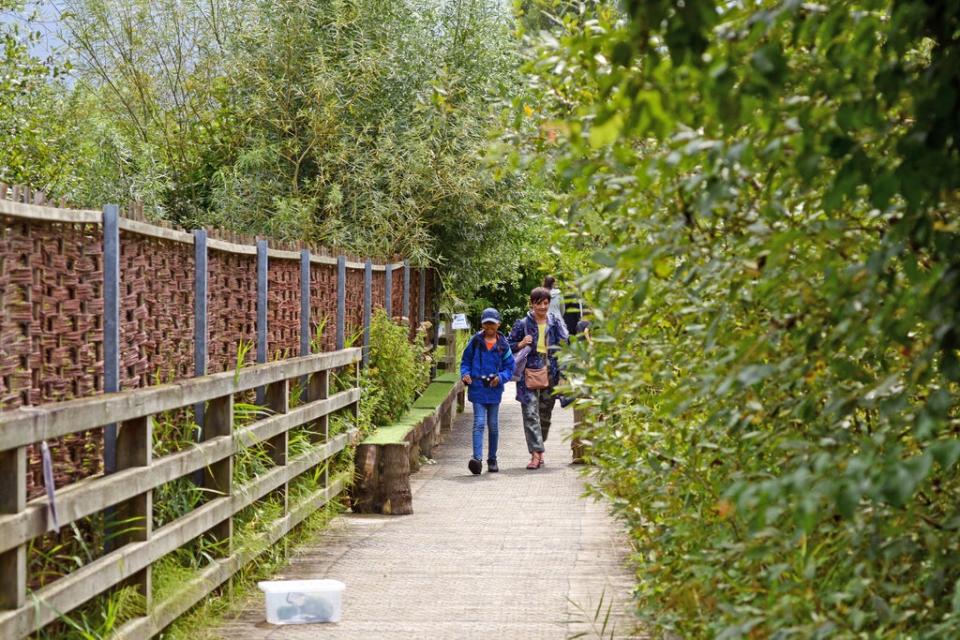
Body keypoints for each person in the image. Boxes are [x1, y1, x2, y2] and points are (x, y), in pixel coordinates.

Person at [508, 287, 569, 470]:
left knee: (545, 415)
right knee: (530, 413)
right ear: (531, 304)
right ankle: (536, 454)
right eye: (538, 303)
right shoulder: (522, 324)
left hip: (551, 371)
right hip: (529, 372)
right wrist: (520, 343)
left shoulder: (555, 322)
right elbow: (508, 346)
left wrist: (564, 373)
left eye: (545, 303)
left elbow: (565, 346)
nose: (542, 307)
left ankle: (539, 448)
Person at [460, 307, 515, 475]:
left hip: (494, 390)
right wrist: (466, 374)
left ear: (498, 325)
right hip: (477, 388)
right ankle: (477, 459)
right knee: (479, 423)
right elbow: (465, 361)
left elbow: (510, 367)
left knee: (493, 425)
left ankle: (492, 458)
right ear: (482, 325)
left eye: (493, 324)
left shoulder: (503, 345)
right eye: (486, 324)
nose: (490, 327)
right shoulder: (475, 341)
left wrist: (501, 377)